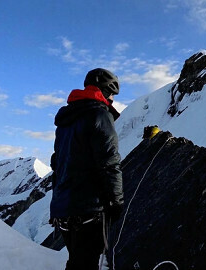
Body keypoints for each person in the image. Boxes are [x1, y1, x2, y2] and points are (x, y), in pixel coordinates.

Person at [50, 68, 124, 270]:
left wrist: (55, 205)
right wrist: (116, 200)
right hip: (89, 208)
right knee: (85, 264)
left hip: (63, 208)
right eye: (111, 94)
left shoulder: (66, 120)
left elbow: (57, 164)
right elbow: (109, 161)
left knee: (77, 261)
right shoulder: (100, 114)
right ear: (104, 91)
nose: (112, 99)